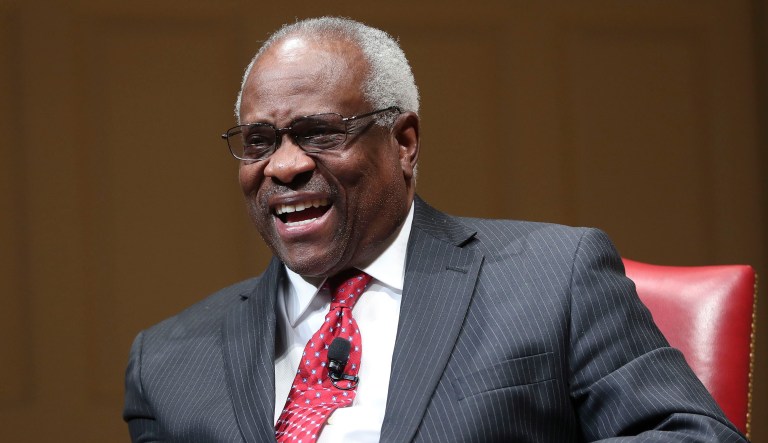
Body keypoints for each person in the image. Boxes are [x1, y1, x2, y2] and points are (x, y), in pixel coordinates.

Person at [123, 17, 747, 443]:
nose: (285, 165)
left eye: (320, 133)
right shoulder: (168, 361)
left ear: (403, 143)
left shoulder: (554, 278)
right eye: (260, 142)